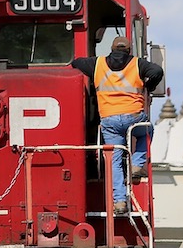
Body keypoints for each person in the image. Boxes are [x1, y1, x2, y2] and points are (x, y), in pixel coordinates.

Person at [70, 36, 164, 215]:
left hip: (109, 120)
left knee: (114, 160)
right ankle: (137, 164)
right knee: (147, 130)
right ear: (128, 50)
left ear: (112, 49)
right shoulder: (138, 64)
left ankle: (119, 202)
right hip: (134, 117)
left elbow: (76, 63)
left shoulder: (97, 64)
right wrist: (148, 86)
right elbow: (157, 71)